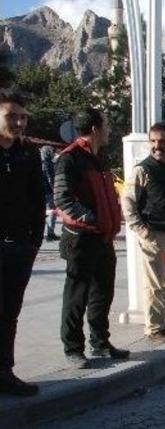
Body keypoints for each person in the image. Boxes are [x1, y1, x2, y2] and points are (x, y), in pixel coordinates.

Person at [54, 107, 129, 369]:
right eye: (106, 125)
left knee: (102, 293)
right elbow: (63, 199)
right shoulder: (70, 158)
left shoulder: (100, 157)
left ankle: (100, 342)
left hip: (103, 239)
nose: (108, 130)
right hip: (81, 240)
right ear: (96, 129)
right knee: (77, 296)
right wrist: (93, 219)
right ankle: (73, 348)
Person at [121, 122, 165, 344]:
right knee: (154, 283)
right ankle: (154, 328)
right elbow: (128, 202)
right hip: (155, 234)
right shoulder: (143, 169)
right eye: (153, 141)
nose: (157, 145)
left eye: (162, 141)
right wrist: (143, 231)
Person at [0, 89, 44, 396]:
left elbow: (37, 200)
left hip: (19, 246)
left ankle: (5, 372)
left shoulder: (28, 153)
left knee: (9, 312)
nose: (18, 122)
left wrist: (34, 241)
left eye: (22, 117)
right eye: (11, 116)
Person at [40, 145, 60, 241]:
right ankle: (50, 233)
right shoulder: (48, 163)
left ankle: (45, 233)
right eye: (52, 151)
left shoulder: (39, 162)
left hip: (40, 191)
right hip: (48, 191)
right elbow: (50, 178)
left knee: (45, 212)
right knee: (52, 211)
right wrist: (54, 189)